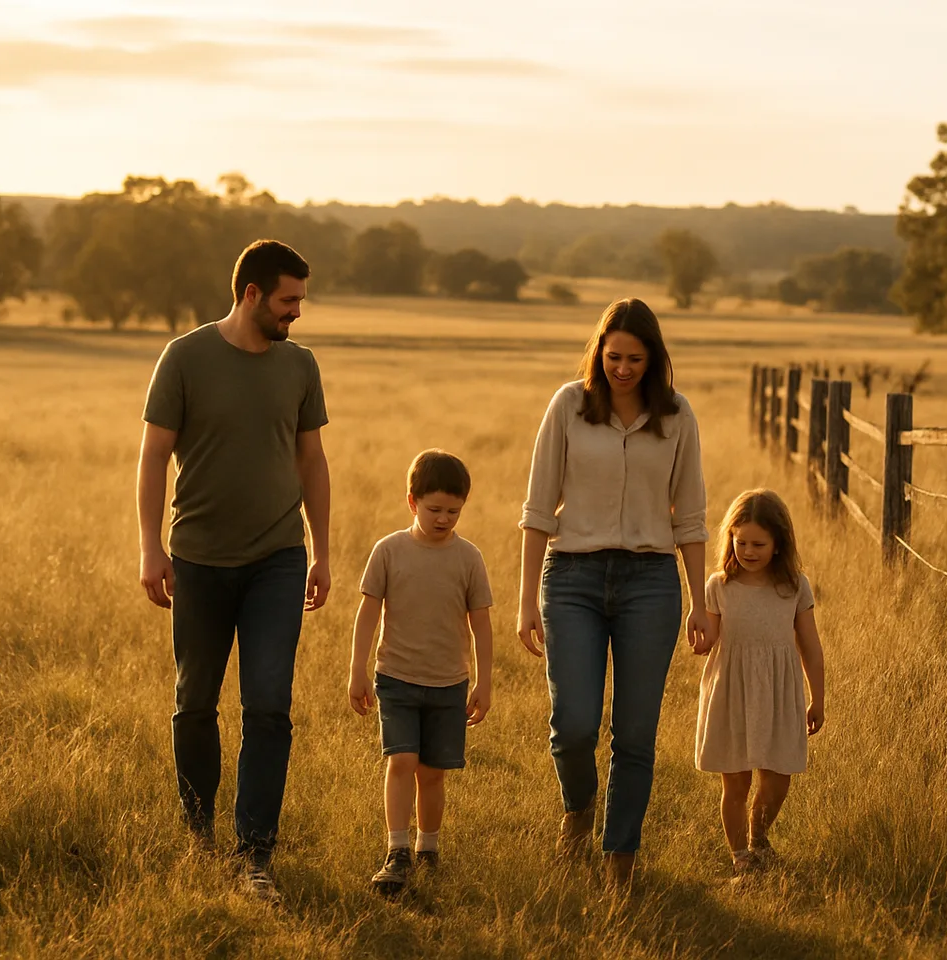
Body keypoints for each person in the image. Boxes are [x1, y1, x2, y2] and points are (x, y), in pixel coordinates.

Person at [137, 239, 331, 905]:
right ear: (251, 294)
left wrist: (323, 550)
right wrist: (149, 545)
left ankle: (255, 853)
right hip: (196, 558)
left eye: (299, 300)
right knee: (194, 703)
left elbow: (312, 461)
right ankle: (199, 834)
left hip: (278, 558)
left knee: (269, 706)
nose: (296, 312)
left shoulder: (299, 366)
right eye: (288, 300)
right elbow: (154, 456)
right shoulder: (185, 358)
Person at [517, 297, 710, 889]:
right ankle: (578, 810)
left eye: (635, 358)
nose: (623, 368)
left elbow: (692, 518)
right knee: (573, 723)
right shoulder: (569, 405)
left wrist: (701, 602)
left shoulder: (677, 416)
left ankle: (619, 857)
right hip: (571, 577)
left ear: (654, 359)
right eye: (614, 355)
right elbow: (537, 508)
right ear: (599, 351)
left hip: (650, 584)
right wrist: (526, 599)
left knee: (634, 733)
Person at [347, 449, 494, 898]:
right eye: (434, 509)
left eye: (454, 511)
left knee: (432, 772)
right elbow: (368, 613)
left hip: (449, 683)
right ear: (412, 502)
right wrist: (357, 670)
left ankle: (428, 848)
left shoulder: (469, 558)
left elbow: (481, 625)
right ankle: (397, 851)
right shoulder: (388, 551)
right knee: (402, 761)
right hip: (396, 678)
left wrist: (484, 681)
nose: (444, 518)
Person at [695, 489, 826, 876]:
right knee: (735, 782)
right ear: (730, 539)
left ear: (778, 543)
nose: (748, 551)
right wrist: (700, 636)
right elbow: (710, 638)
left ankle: (759, 834)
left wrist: (817, 698)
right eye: (741, 542)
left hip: (778, 693)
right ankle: (741, 858)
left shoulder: (793, 587)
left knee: (777, 777)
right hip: (732, 692)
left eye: (758, 543)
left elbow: (811, 648)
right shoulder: (719, 586)